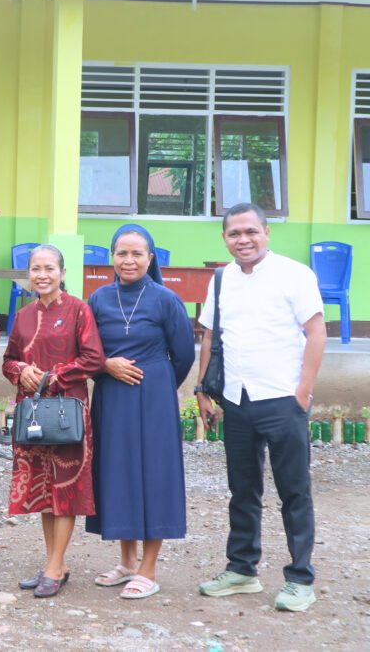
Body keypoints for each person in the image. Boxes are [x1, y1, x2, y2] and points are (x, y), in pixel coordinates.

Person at [196, 203, 326, 613]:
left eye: (251, 231)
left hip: (283, 400)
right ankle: (242, 569)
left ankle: (300, 578)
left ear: (266, 233)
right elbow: (209, 336)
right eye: (234, 233)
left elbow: (316, 332)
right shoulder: (220, 280)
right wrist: (202, 389)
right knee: (243, 489)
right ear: (224, 239)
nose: (243, 240)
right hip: (237, 400)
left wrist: (302, 393)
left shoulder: (295, 274)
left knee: (294, 491)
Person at [85, 224, 195, 599]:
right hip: (112, 398)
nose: (129, 260)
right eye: (122, 253)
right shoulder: (98, 299)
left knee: (153, 476)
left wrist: (158, 385)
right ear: (111, 257)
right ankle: (126, 561)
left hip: (153, 401)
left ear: (151, 258)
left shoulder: (166, 299)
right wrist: (106, 366)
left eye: (137, 254)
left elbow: (183, 355)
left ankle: (148, 568)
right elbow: (85, 351)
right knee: (119, 473)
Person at [1, 245, 105, 598]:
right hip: (32, 414)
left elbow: (93, 358)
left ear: (62, 272)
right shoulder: (24, 314)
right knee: (45, 490)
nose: (41, 275)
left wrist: (50, 377)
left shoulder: (79, 310)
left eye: (49, 268)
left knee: (66, 488)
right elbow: (9, 359)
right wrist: (21, 371)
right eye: (35, 269)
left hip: (67, 413)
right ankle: (55, 564)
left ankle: (54, 566)